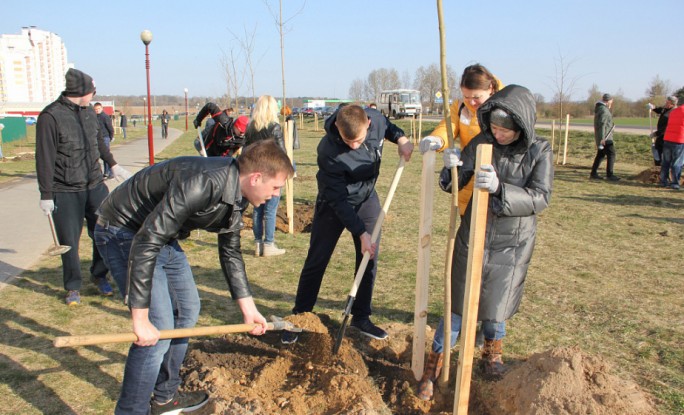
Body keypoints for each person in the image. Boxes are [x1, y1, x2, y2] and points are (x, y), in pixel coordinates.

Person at [94, 140, 294, 414]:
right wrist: (140, 319)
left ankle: (165, 398)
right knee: (158, 330)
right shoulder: (201, 183)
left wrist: (249, 311)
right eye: (275, 188)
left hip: (161, 236)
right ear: (256, 177)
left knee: (187, 310)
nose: (275, 195)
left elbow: (231, 251)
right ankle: (131, 411)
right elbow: (146, 241)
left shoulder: (238, 194)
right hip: (124, 231)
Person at [416, 85, 553, 400]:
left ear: (522, 126)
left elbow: (541, 198)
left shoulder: (539, 150)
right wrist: (451, 168)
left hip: (512, 242)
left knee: (497, 305)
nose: (499, 134)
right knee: (456, 305)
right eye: (495, 127)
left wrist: (500, 188)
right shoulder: (481, 142)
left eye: (506, 130)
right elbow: (454, 183)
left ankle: (492, 354)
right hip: (472, 233)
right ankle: (433, 365)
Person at [282, 104, 414, 344]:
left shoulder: (375, 119)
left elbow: (389, 127)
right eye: (348, 140)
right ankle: (299, 316)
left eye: (359, 140)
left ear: (368, 125)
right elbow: (338, 200)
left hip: (366, 199)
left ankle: (361, 317)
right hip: (334, 204)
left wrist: (401, 138)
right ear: (337, 128)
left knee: (368, 257)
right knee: (317, 259)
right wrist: (360, 231)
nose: (353, 145)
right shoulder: (328, 150)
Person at [35, 68, 132, 306]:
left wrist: (114, 165)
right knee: (69, 240)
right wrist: (46, 194)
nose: (93, 95)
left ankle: (99, 274)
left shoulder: (89, 113)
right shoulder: (51, 116)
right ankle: (72, 286)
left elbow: (99, 142)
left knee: (105, 232)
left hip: (94, 184)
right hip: (65, 190)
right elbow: (44, 157)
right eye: (92, 91)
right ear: (81, 92)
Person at [419, 64, 504, 216]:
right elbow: (448, 126)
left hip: (494, 185)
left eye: (476, 97)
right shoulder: (459, 108)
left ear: (490, 88)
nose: (471, 102)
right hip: (466, 185)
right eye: (466, 97)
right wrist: (437, 139)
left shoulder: (503, 108)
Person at [245, 95, 288, 257]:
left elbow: (245, 151)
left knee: (257, 209)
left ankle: (258, 243)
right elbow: (282, 153)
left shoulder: (250, 128)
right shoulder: (275, 128)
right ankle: (268, 244)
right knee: (270, 210)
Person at [590, 93, 619, 181]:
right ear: (608, 101)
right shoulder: (604, 110)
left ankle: (593, 173)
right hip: (606, 137)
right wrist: (602, 138)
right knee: (611, 153)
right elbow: (602, 125)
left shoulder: (600, 108)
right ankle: (610, 175)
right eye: (611, 101)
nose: (611, 103)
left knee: (601, 155)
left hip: (603, 135)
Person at [659, 96, 684, 190]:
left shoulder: (674, 112)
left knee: (665, 161)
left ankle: (663, 181)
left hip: (668, 139)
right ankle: (675, 183)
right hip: (679, 140)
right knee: (677, 163)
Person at [648, 96, 678, 166]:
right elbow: (660, 110)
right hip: (661, 136)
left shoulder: (674, 112)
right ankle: (658, 168)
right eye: (666, 102)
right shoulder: (665, 109)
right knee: (657, 149)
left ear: (673, 104)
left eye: (668, 103)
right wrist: (653, 107)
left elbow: (667, 127)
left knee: (664, 153)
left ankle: (663, 168)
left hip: (668, 137)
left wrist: (656, 134)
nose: (666, 103)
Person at [94, 102, 115, 178]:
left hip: (105, 137)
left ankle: (110, 172)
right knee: (100, 156)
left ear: (102, 108)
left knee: (105, 155)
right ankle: (106, 172)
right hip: (98, 138)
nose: (97, 110)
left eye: (98, 109)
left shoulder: (105, 117)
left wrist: (111, 136)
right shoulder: (95, 117)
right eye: (96, 109)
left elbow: (110, 127)